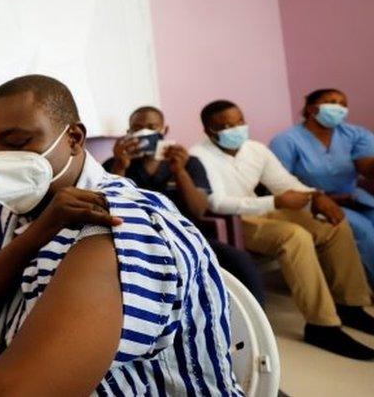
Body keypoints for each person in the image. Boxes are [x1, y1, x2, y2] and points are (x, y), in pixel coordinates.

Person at [0, 75, 242, 396]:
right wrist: (32, 238)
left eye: (19, 142)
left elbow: (21, 390)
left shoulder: (117, 221)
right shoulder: (4, 210)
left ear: (74, 138)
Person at [191, 99, 374, 360]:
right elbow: (216, 202)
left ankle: (351, 305)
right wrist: (275, 201)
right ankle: (322, 325)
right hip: (234, 218)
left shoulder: (256, 150)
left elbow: (283, 182)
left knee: (332, 224)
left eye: (239, 121)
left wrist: (316, 195)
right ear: (210, 131)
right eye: (226, 125)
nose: (236, 129)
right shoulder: (199, 156)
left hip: (263, 209)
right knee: (294, 236)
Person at [104, 106, 266, 303]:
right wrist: (120, 166)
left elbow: (199, 209)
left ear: (164, 130)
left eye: (152, 126)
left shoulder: (188, 162)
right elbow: (107, 204)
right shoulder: (114, 163)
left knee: (241, 262)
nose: (145, 132)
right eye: (137, 128)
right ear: (129, 133)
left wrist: (180, 172)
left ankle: (256, 326)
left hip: (185, 237)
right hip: (135, 239)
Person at [271, 88, 374, 285]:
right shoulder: (286, 140)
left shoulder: (355, 134)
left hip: (352, 196)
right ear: (311, 108)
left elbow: (367, 167)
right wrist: (320, 197)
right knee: (364, 231)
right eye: (332, 102)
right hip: (311, 203)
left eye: (343, 104)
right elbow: (279, 182)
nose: (339, 108)